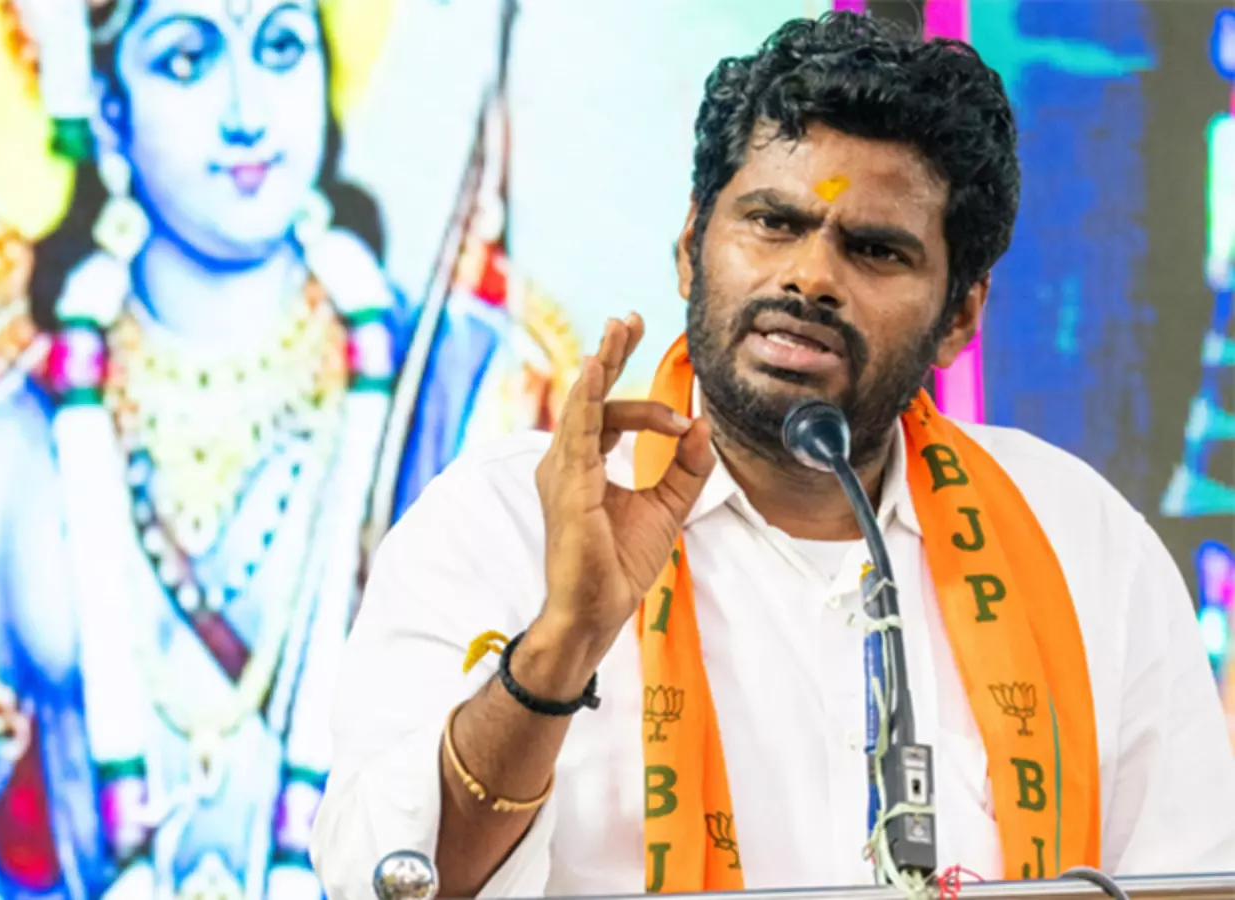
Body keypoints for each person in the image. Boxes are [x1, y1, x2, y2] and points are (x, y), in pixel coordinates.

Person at [311, 12, 1235, 898]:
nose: (810, 277)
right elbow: (392, 883)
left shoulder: (1079, 542)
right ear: (690, 247)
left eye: (875, 250)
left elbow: (1191, 879)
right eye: (773, 223)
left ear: (960, 315)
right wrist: (561, 645)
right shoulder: (502, 524)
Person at [0, 0, 573, 897]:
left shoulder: (453, 399)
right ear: (107, 110)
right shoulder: (14, 455)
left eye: (281, 44)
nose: (247, 111)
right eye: (187, 58)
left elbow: (561, 755)